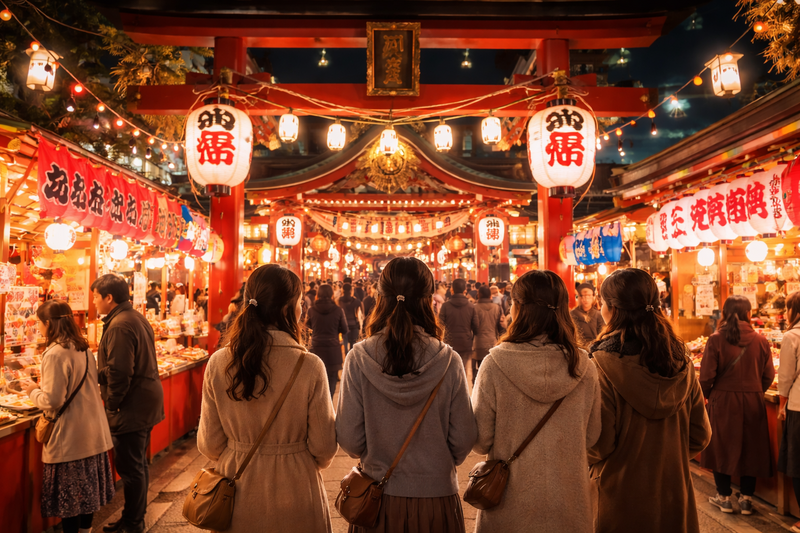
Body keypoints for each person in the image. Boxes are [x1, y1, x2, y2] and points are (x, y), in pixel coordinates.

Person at [337, 257, 476, 533]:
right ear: (428, 300)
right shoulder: (448, 360)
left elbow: (350, 440)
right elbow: (463, 440)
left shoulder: (358, 358)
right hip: (437, 499)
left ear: (381, 298)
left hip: (376, 502)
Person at [198, 264, 338, 532]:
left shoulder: (219, 362)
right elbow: (323, 447)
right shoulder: (309, 365)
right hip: (297, 486)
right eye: (299, 303)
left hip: (235, 487)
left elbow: (209, 443)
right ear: (288, 308)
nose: (301, 310)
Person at [472, 270, 601, 533]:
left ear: (517, 308)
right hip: (569, 505)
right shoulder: (584, 366)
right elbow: (592, 436)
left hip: (509, 507)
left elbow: (480, 440)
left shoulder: (495, 364)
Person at [588, 268, 711, 533]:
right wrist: (668, 457)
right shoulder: (681, 360)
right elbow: (700, 435)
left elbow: (600, 443)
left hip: (618, 495)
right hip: (674, 494)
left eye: (602, 301)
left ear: (612, 308)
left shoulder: (602, 364)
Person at [24, 300, 115, 533]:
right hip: (92, 434)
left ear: (48, 324)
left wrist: (30, 390)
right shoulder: (83, 348)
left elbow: (53, 400)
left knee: (70, 501)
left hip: (70, 439)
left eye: (38, 323)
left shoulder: (54, 353)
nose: (38, 328)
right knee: (86, 496)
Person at [91, 274, 164, 533]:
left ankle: (133, 523)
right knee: (138, 467)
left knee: (131, 469)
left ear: (108, 298)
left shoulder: (120, 325)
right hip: (144, 402)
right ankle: (133, 518)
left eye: (96, 297)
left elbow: (120, 372)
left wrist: (112, 404)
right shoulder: (133, 317)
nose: (94, 302)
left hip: (132, 406)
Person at [700, 295, 774, 515]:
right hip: (753, 400)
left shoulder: (715, 339)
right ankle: (746, 499)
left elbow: (705, 377)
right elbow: (769, 375)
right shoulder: (761, 341)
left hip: (722, 400)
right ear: (749, 314)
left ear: (724, 313)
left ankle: (723, 497)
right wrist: (755, 389)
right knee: (751, 448)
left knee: (721, 446)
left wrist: (707, 395)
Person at [779, 291, 800, 533]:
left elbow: (784, 378)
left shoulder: (791, 336)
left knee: (797, 461)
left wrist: (781, 406)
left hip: (797, 405)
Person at [307, 284, 349, 399]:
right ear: (331, 294)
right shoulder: (338, 310)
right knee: (331, 379)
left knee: (316, 379)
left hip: (316, 348)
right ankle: (328, 404)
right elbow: (345, 329)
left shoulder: (311, 310)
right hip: (333, 348)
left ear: (318, 294)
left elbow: (307, 326)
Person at [439, 278, 479, 373]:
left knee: (450, 370)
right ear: (465, 290)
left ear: (452, 290)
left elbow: (440, 324)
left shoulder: (445, 306)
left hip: (449, 342)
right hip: (465, 342)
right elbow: (476, 327)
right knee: (462, 370)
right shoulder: (471, 306)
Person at [471, 286, 505, 385]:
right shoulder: (497, 307)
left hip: (478, 343)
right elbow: (500, 328)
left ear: (478, 295)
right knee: (491, 370)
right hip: (493, 342)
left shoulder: (474, 307)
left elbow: (474, 328)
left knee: (479, 370)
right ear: (490, 296)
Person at [337, 283, 362, 353]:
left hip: (343, 323)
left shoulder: (339, 300)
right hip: (354, 323)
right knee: (353, 341)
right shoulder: (356, 301)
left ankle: (346, 356)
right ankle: (351, 356)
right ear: (351, 290)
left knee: (345, 340)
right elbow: (359, 310)